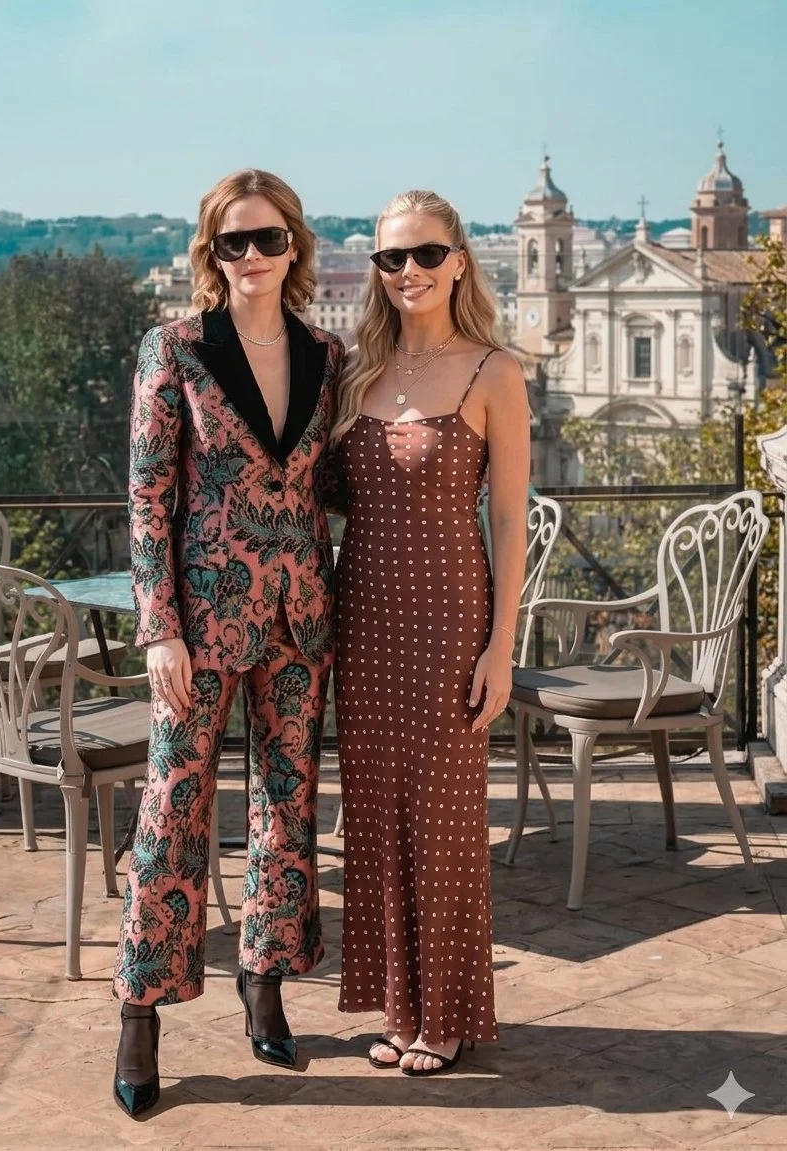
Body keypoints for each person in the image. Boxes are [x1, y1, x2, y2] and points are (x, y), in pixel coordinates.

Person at [112, 169, 345, 1117]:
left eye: (269, 239)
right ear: (211, 253)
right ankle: (140, 1009)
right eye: (233, 242)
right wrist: (158, 626)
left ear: (296, 246)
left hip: (300, 618)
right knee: (174, 805)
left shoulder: (328, 354)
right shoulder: (173, 347)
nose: (252, 256)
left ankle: (267, 980)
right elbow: (146, 497)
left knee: (288, 809)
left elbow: (327, 483)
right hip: (200, 623)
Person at [331, 189, 530, 1076]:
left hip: (452, 620)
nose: (407, 271)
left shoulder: (495, 372)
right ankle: (400, 1005)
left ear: (458, 260)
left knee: (445, 817)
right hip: (362, 618)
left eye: (423, 254)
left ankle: (444, 1012)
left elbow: (512, 522)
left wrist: (503, 645)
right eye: (390, 258)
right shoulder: (357, 374)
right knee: (375, 815)